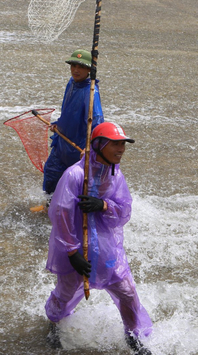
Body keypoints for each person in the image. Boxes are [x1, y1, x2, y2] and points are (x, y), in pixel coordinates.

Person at [44, 122, 153, 355]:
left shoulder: (115, 173)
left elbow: (125, 210)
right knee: (65, 293)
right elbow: (60, 214)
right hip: (76, 247)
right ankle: (53, 323)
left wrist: (103, 205)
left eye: (123, 143)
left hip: (107, 247)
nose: (122, 148)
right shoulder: (75, 174)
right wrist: (72, 253)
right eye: (116, 143)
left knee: (127, 291)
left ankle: (133, 336)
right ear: (99, 145)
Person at [42, 50, 104, 195]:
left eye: (81, 67)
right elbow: (68, 110)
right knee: (51, 173)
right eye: (73, 65)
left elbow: (97, 122)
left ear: (89, 70)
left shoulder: (91, 92)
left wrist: (90, 147)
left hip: (78, 148)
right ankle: (50, 205)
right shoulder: (71, 83)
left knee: (78, 184)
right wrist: (59, 123)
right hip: (62, 142)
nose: (76, 70)